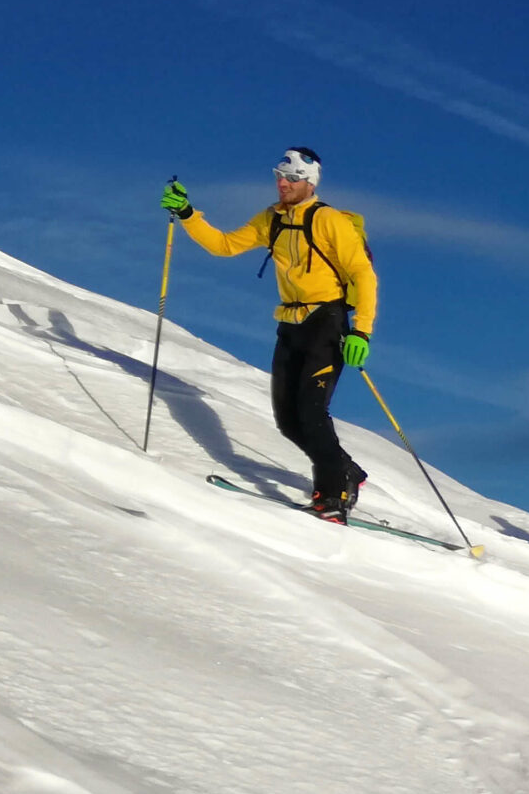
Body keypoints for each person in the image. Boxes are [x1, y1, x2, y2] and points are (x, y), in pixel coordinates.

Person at [159, 149, 378, 520]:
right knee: (289, 421)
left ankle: (333, 497)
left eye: (291, 178)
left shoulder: (328, 220)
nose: (283, 183)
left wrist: (362, 331)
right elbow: (225, 245)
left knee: (311, 412)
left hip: (326, 320)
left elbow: (362, 274)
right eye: (280, 176)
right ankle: (348, 472)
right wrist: (186, 215)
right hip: (290, 325)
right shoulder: (271, 219)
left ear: (309, 183)